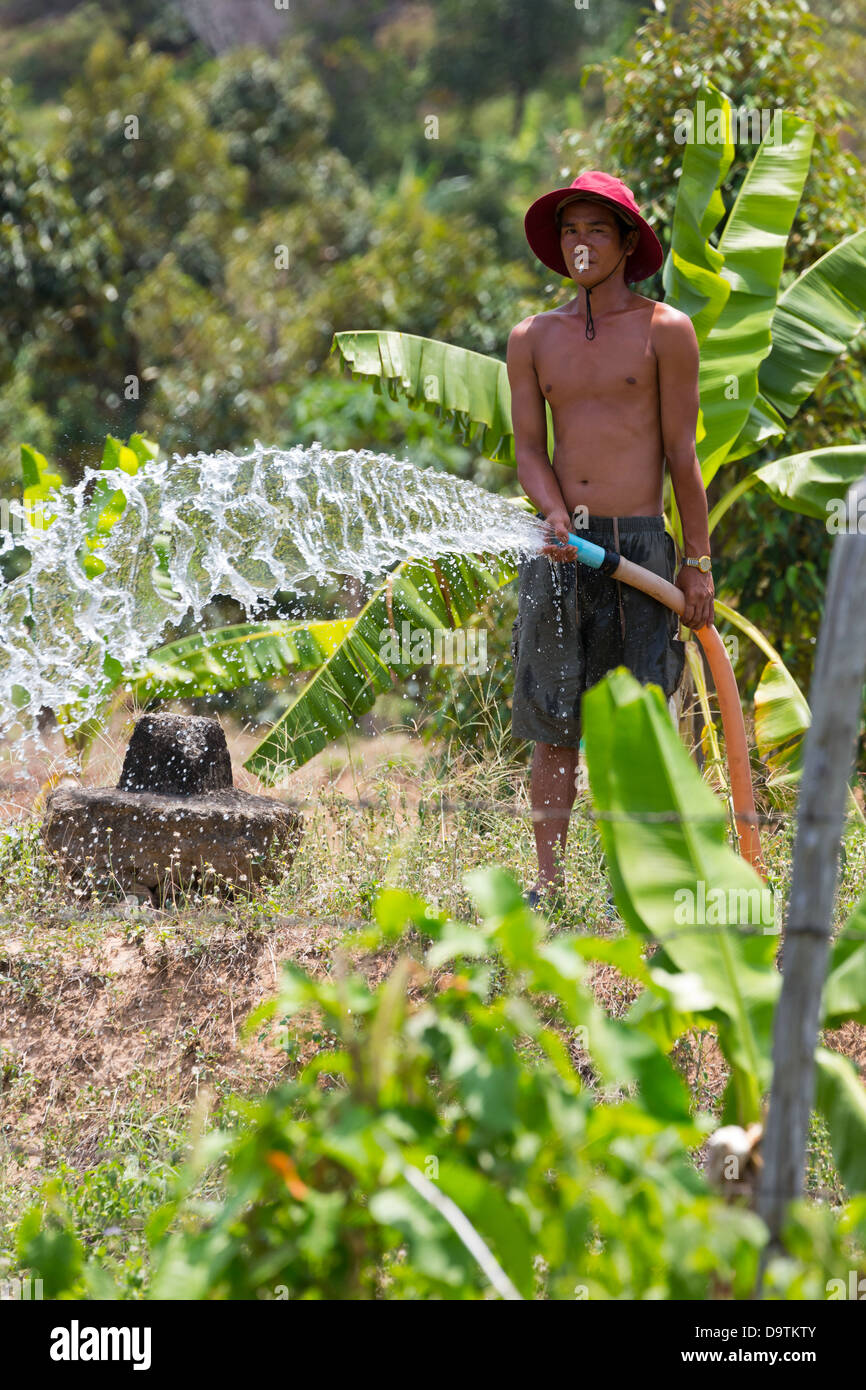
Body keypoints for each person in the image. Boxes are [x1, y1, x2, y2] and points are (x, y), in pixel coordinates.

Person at [508, 170, 715, 910]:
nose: (581, 243)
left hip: (641, 551)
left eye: (596, 229)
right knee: (553, 721)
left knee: (645, 722)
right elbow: (530, 448)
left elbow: (683, 456)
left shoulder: (666, 331)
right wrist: (553, 512)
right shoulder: (532, 339)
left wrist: (697, 563)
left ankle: (654, 887)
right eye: (570, 230)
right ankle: (550, 885)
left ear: (629, 243)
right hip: (563, 547)